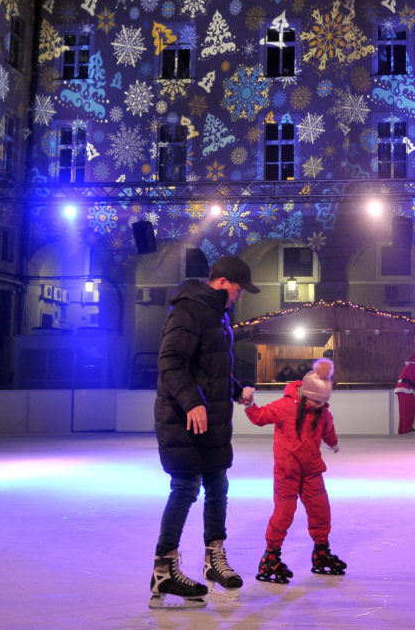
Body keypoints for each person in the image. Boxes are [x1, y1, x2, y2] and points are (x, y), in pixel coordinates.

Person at [150, 254, 259, 609]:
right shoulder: (189, 309)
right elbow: (170, 361)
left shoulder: (219, 316)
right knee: (185, 487)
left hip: (212, 419)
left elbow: (212, 369)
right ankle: (164, 570)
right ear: (223, 283)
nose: (238, 297)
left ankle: (214, 559)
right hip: (183, 418)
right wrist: (192, 401)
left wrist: (236, 389)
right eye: (238, 289)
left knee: (217, 485)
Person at [240, 358, 347, 584]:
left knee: (321, 510)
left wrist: (333, 444)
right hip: (287, 472)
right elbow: (260, 417)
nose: (319, 405)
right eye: (316, 400)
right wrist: (250, 404)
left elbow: (328, 429)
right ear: (306, 393)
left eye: (323, 401)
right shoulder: (286, 406)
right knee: (284, 513)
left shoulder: (322, 412)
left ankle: (321, 552)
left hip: (311, 470)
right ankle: (271, 557)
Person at [393, 353, 415, 434]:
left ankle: (403, 430)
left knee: (404, 411)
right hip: (406, 390)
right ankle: (406, 430)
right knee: (408, 410)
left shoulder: (409, 367)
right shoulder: (414, 367)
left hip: (403, 390)